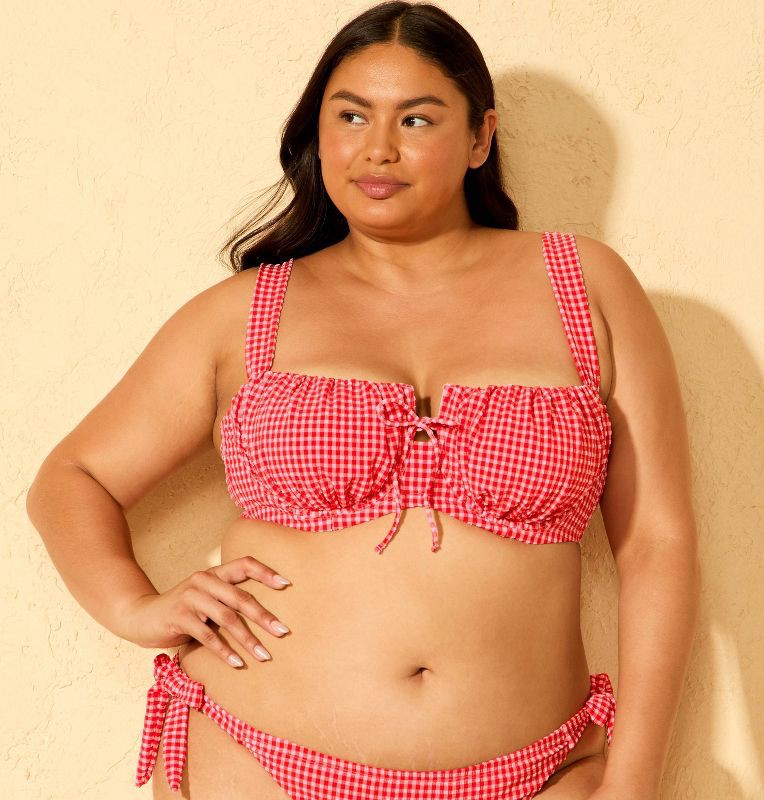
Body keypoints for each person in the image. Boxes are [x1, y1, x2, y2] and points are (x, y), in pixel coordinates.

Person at [26, 2, 701, 798]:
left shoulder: (583, 285)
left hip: (544, 771)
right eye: (350, 116)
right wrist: (135, 606)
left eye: (417, 119)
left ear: (480, 137)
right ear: (319, 134)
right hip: (256, 760)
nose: (378, 148)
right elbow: (73, 477)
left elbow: (657, 545)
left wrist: (634, 781)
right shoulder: (245, 313)